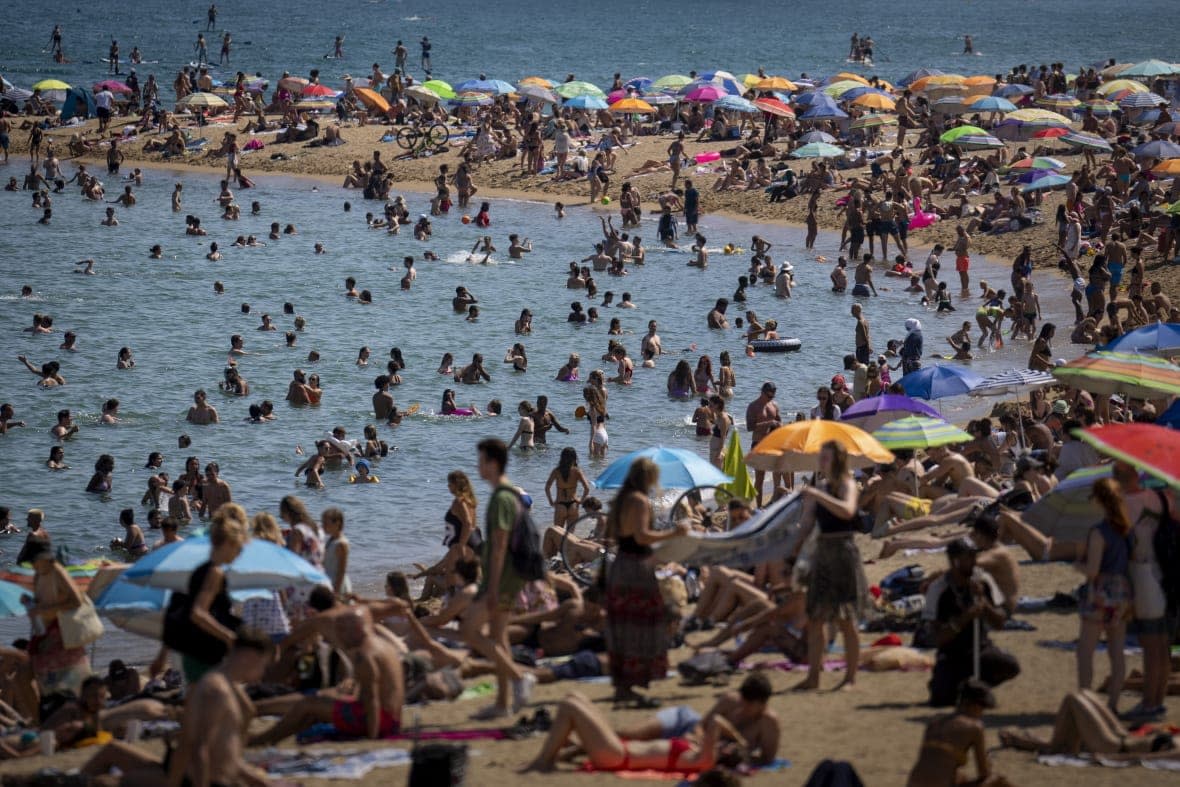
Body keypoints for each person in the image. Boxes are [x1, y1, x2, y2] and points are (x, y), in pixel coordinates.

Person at [81, 629, 274, 787]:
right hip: (198, 779)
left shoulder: (216, 684)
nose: (262, 674)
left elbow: (217, 750)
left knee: (107, 776)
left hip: (191, 773)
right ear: (250, 657)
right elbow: (199, 747)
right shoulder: (217, 691)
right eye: (263, 665)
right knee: (106, 781)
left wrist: (253, 779)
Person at [604, 458, 690, 707]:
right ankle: (632, 684)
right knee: (642, 623)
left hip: (620, 565)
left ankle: (623, 685)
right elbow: (642, 536)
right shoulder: (640, 501)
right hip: (636, 568)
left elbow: (615, 535)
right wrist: (675, 533)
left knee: (623, 623)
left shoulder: (622, 500)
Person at [459, 439, 533, 719]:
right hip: (509, 577)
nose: (477, 466)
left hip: (501, 579)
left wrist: (491, 587)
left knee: (469, 630)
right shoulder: (507, 494)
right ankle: (503, 703)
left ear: (492, 463)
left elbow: (500, 544)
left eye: (480, 461)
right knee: (499, 638)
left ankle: (518, 678)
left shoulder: (501, 497)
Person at [250, 608, 404, 743]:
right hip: (391, 719)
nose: (339, 636)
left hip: (377, 720)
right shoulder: (382, 646)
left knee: (308, 704)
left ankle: (261, 739)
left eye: (342, 630)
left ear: (357, 628)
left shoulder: (364, 655)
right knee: (316, 701)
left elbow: (371, 699)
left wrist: (372, 736)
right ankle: (266, 736)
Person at [788, 441, 867, 691]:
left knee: (845, 619)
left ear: (838, 460)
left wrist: (817, 495)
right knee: (816, 617)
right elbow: (807, 523)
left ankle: (850, 679)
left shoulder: (847, 484)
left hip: (843, 552)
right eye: (820, 457)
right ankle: (813, 677)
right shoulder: (819, 488)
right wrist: (793, 545)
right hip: (821, 553)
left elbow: (847, 511)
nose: (821, 462)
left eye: (826, 458)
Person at [521, 691, 731, 773]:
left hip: (618, 757)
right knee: (574, 698)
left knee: (569, 706)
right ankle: (551, 756)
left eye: (724, 746)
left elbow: (717, 721)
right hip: (619, 750)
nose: (720, 743)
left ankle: (543, 761)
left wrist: (737, 740)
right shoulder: (697, 751)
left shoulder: (704, 760)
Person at [923, 538, 1020, 707]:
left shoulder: (983, 581)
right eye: (968, 558)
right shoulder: (938, 589)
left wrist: (984, 604)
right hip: (952, 655)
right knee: (941, 700)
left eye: (974, 557)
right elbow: (937, 638)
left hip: (980, 648)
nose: (974, 562)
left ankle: (976, 686)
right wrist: (965, 617)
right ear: (955, 561)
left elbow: (1000, 622)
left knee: (1010, 665)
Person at [167, 503, 246, 684]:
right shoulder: (215, 572)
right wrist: (229, 637)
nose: (239, 553)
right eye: (238, 547)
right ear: (227, 544)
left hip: (193, 645)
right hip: (205, 647)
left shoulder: (200, 569)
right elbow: (198, 613)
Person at [1076, 478, 1133, 713]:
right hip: (1122, 591)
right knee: (1116, 651)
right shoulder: (1126, 528)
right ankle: (1113, 704)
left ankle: (1086, 701)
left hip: (1101, 591)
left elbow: (1092, 571)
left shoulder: (1099, 532)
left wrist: (1079, 563)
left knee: (1085, 651)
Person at [1000, 689, 1178, 757]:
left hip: (1116, 746)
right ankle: (1042, 743)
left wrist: (1111, 758)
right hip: (1123, 734)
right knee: (1084, 693)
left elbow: (1148, 758)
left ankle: (1033, 744)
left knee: (1072, 699)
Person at [906, 679, 1006, 787]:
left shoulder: (934, 722)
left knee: (960, 776)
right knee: (997, 780)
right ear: (975, 706)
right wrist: (988, 766)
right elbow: (983, 773)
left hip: (912, 783)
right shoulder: (975, 726)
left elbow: (934, 761)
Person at [26, 546, 91, 695]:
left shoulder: (57, 572)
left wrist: (43, 608)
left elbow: (75, 601)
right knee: (61, 675)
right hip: (50, 628)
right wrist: (31, 603)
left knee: (59, 675)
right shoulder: (41, 575)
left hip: (60, 628)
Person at [545, 447, 591, 529]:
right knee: (570, 536)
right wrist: (581, 500)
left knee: (558, 534)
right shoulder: (577, 471)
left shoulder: (556, 471)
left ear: (562, 457)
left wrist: (551, 502)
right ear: (574, 458)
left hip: (560, 505)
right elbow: (587, 488)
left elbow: (547, 487)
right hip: (573, 504)